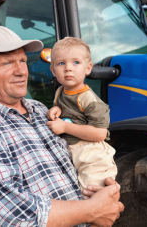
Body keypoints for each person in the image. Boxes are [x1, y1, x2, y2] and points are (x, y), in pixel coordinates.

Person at [0, 25, 124, 227]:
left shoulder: (42, 110)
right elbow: (13, 218)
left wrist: (103, 191)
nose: (21, 71)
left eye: (23, 61)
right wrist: (93, 210)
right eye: (7, 62)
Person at [46, 37, 117, 194]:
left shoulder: (90, 100)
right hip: (71, 151)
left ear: (88, 67)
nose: (68, 68)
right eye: (61, 63)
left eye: (76, 62)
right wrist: (55, 109)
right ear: (53, 70)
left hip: (91, 154)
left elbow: (100, 133)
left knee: (90, 194)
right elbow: (65, 108)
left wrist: (64, 126)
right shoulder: (60, 92)